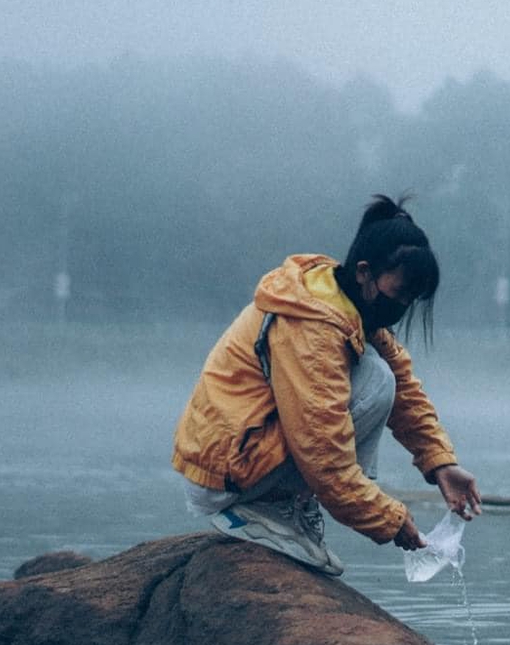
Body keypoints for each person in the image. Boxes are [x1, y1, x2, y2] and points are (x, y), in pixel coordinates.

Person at [171, 195, 481, 575]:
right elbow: (323, 452)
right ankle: (270, 507)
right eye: (399, 293)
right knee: (376, 380)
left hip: (245, 459)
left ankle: (287, 504)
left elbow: (407, 393)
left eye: (410, 299)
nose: (402, 306)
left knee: (384, 376)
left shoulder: (344, 307)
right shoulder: (313, 328)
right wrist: (388, 519)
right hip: (227, 475)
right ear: (365, 273)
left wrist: (441, 464)